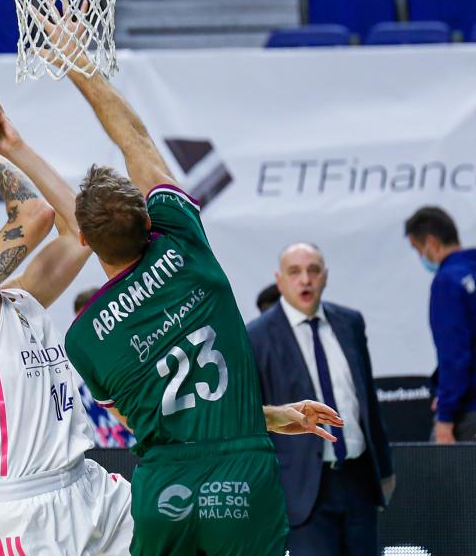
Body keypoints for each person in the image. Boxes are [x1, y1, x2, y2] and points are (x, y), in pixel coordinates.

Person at [55, 36, 342, 554]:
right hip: (241, 475)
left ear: (83, 242)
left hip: (166, 484)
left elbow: (146, 416)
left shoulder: (85, 338)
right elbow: (136, 141)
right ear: (149, 218)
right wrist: (79, 62)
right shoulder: (184, 243)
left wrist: (272, 416)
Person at [0, 103, 135, 554]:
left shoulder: (20, 297)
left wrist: (14, 146)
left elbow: (79, 231)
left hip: (93, 487)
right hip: (25, 513)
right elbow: (34, 214)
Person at [247, 242, 395, 556]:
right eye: (295, 272)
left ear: (325, 276)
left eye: (313, 271)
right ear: (279, 279)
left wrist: (384, 469)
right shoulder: (256, 336)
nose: (305, 280)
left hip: (358, 480)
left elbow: (366, 399)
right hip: (302, 489)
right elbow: (251, 416)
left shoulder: (350, 322)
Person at [405, 206, 476, 443]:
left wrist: (445, 416)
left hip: (469, 409)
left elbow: (455, 355)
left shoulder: (448, 281)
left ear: (431, 244)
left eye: (418, 249)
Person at [73, 288, 136, 448]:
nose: (89, 334)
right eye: (81, 327)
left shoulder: (137, 364)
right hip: (105, 466)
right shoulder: (77, 388)